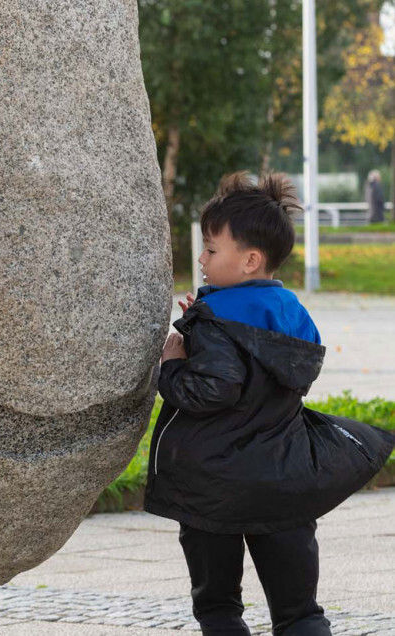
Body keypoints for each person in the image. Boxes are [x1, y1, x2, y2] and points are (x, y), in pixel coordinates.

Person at [145, 172, 395, 636]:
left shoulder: (219, 324)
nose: (201, 258)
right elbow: (256, 364)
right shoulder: (291, 316)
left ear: (249, 260)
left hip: (213, 491)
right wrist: (203, 325)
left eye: (212, 249)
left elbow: (213, 389)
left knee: (219, 609)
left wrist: (175, 361)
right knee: (299, 613)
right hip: (284, 484)